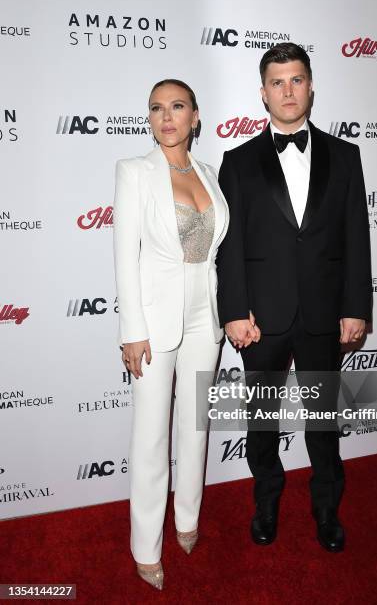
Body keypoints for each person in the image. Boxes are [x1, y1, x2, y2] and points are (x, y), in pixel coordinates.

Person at [216, 43, 372, 553]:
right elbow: (229, 245)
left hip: (326, 315)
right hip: (261, 319)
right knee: (262, 423)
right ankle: (266, 504)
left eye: (297, 80)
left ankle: (327, 510)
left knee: (324, 424)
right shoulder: (236, 162)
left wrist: (356, 307)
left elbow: (356, 235)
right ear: (263, 93)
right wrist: (234, 311)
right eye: (277, 82)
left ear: (311, 86)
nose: (288, 90)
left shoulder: (345, 156)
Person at [113, 79, 229, 590]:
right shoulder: (134, 172)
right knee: (151, 435)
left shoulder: (210, 172)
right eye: (157, 108)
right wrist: (131, 330)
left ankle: (187, 519)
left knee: (196, 426)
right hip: (154, 322)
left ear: (195, 117)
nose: (166, 117)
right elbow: (124, 257)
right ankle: (145, 546)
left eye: (177, 106)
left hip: (208, 316)